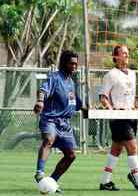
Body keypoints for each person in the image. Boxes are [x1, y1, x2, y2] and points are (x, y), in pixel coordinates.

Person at [98, 45, 138, 191]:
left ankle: (105, 181)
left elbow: (132, 97)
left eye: (127, 53)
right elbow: (103, 97)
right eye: (123, 53)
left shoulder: (133, 74)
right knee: (132, 146)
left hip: (131, 116)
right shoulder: (111, 75)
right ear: (115, 57)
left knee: (116, 149)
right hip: (119, 117)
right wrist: (112, 110)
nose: (126, 56)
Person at [33, 50, 83, 193]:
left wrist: (86, 108)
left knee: (71, 155)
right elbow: (43, 90)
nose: (74, 66)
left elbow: (74, 102)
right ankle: (40, 172)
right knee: (49, 139)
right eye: (71, 63)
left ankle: (52, 182)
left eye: (76, 64)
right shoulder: (54, 78)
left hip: (65, 124)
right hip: (50, 119)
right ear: (64, 63)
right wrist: (40, 101)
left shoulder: (71, 82)